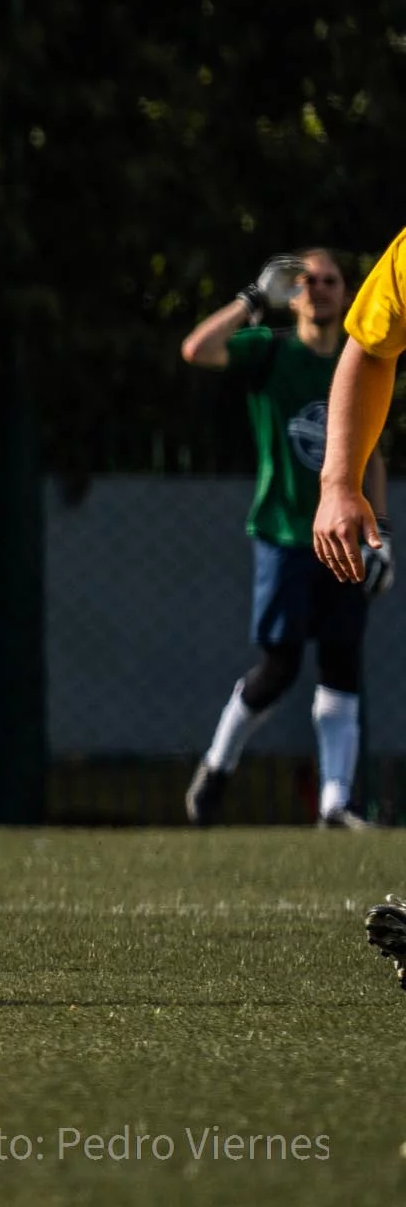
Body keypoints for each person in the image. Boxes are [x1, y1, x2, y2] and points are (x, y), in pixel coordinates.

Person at [180, 248, 385, 828]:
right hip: (285, 532)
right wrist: (252, 300)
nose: (319, 289)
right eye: (309, 282)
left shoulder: (356, 359)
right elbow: (198, 350)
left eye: (330, 281)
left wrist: (383, 533)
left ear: (347, 292)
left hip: (343, 531)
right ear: (294, 294)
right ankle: (217, 771)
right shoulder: (271, 350)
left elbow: (372, 456)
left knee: (343, 661)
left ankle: (335, 804)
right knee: (280, 665)